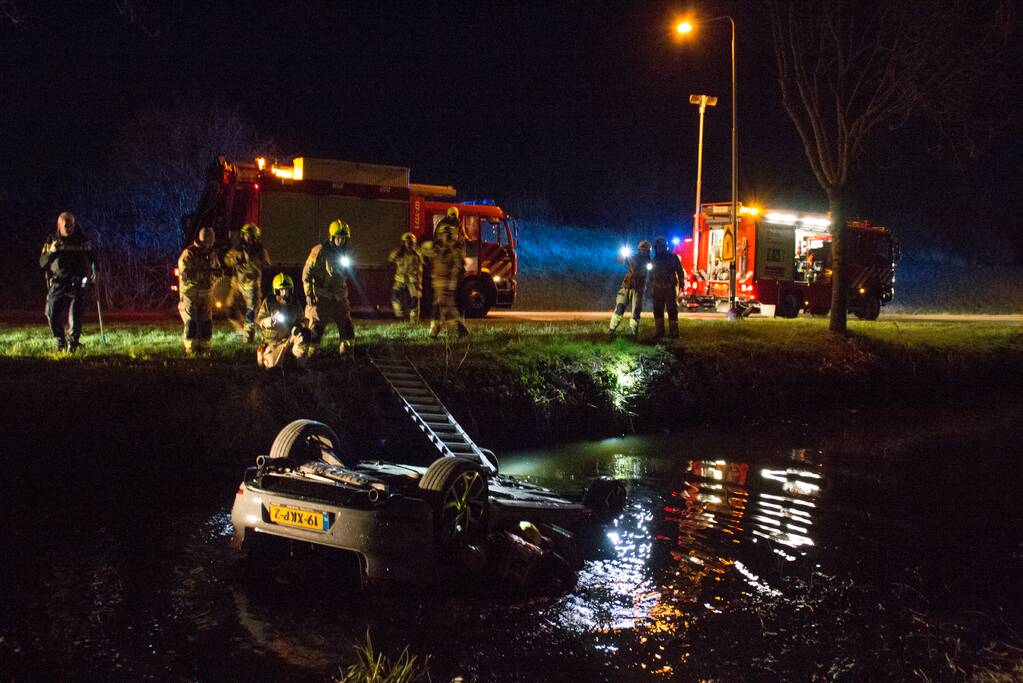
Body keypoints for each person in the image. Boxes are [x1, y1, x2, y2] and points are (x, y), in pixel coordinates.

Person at [39, 211, 96, 352]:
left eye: (72, 225)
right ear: (59, 226)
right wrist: (52, 251)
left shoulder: (82, 239)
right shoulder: (52, 239)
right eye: (66, 225)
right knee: (51, 313)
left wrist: (95, 272)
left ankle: (73, 343)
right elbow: (42, 262)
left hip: (78, 281)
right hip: (59, 281)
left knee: (75, 314)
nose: (69, 228)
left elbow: (94, 258)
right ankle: (60, 340)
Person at [303, 218, 355, 354]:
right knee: (316, 329)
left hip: (339, 296)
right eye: (339, 238)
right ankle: (309, 357)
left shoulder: (346, 252)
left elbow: (346, 274)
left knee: (347, 327)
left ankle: (347, 356)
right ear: (332, 237)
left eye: (344, 238)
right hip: (321, 297)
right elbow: (307, 274)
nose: (341, 241)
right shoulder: (319, 251)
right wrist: (309, 294)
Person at [421, 208, 469, 338]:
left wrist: (453, 282)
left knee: (441, 307)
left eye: (448, 235)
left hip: (447, 283)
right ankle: (460, 329)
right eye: (444, 235)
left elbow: (459, 266)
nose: (446, 237)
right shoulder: (437, 247)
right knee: (446, 307)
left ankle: (435, 331)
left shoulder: (454, 250)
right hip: (438, 282)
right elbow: (424, 250)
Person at [177, 227, 222, 354]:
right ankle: (191, 349)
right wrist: (202, 274)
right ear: (207, 240)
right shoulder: (189, 253)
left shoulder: (212, 254)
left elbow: (217, 268)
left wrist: (218, 273)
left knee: (206, 324)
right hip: (191, 293)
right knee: (192, 324)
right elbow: (185, 275)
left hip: (206, 293)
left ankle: (205, 349)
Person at [223, 222, 271, 342]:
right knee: (230, 309)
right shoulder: (237, 249)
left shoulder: (260, 251)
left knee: (250, 313)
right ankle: (240, 333)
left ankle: (248, 338)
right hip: (237, 285)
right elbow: (227, 260)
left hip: (252, 286)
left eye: (252, 236)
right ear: (243, 235)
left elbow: (266, 265)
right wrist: (236, 258)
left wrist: (252, 261)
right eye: (247, 235)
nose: (249, 238)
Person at [255, 273, 311, 369]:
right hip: (273, 342)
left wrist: (299, 326)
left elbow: (304, 320)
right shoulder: (268, 302)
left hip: (290, 338)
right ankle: (265, 354)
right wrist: (269, 321)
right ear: (276, 290)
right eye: (281, 289)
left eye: (287, 289)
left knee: (305, 334)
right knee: (273, 366)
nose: (284, 292)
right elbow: (259, 320)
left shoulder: (294, 303)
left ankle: (299, 364)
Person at [608, 240, 652, 340]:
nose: (643, 252)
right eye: (642, 250)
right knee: (619, 308)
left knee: (635, 313)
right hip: (626, 287)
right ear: (639, 249)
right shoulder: (633, 257)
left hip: (638, 290)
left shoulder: (648, 261)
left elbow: (647, 271)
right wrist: (623, 254)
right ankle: (611, 331)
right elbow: (619, 260)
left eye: (645, 251)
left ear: (648, 252)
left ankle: (633, 334)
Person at [649, 236, 686, 340]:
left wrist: (681, 281)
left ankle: (674, 333)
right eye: (658, 247)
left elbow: (679, 270)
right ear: (656, 247)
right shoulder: (654, 260)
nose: (660, 248)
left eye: (661, 246)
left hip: (669, 288)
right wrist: (651, 285)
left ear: (665, 247)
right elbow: (651, 274)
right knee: (658, 310)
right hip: (657, 289)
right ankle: (659, 333)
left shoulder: (672, 257)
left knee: (672, 310)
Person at [388, 231, 423, 322]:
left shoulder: (418, 254)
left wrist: (419, 286)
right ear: (403, 243)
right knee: (395, 296)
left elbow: (422, 268)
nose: (409, 244)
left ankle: (414, 321)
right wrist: (395, 256)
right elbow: (390, 262)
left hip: (412, 281)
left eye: (411, 242)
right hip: (400, 279)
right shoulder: (398, 253)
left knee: (414, 300)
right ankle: (399, 316)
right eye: (407, 242)